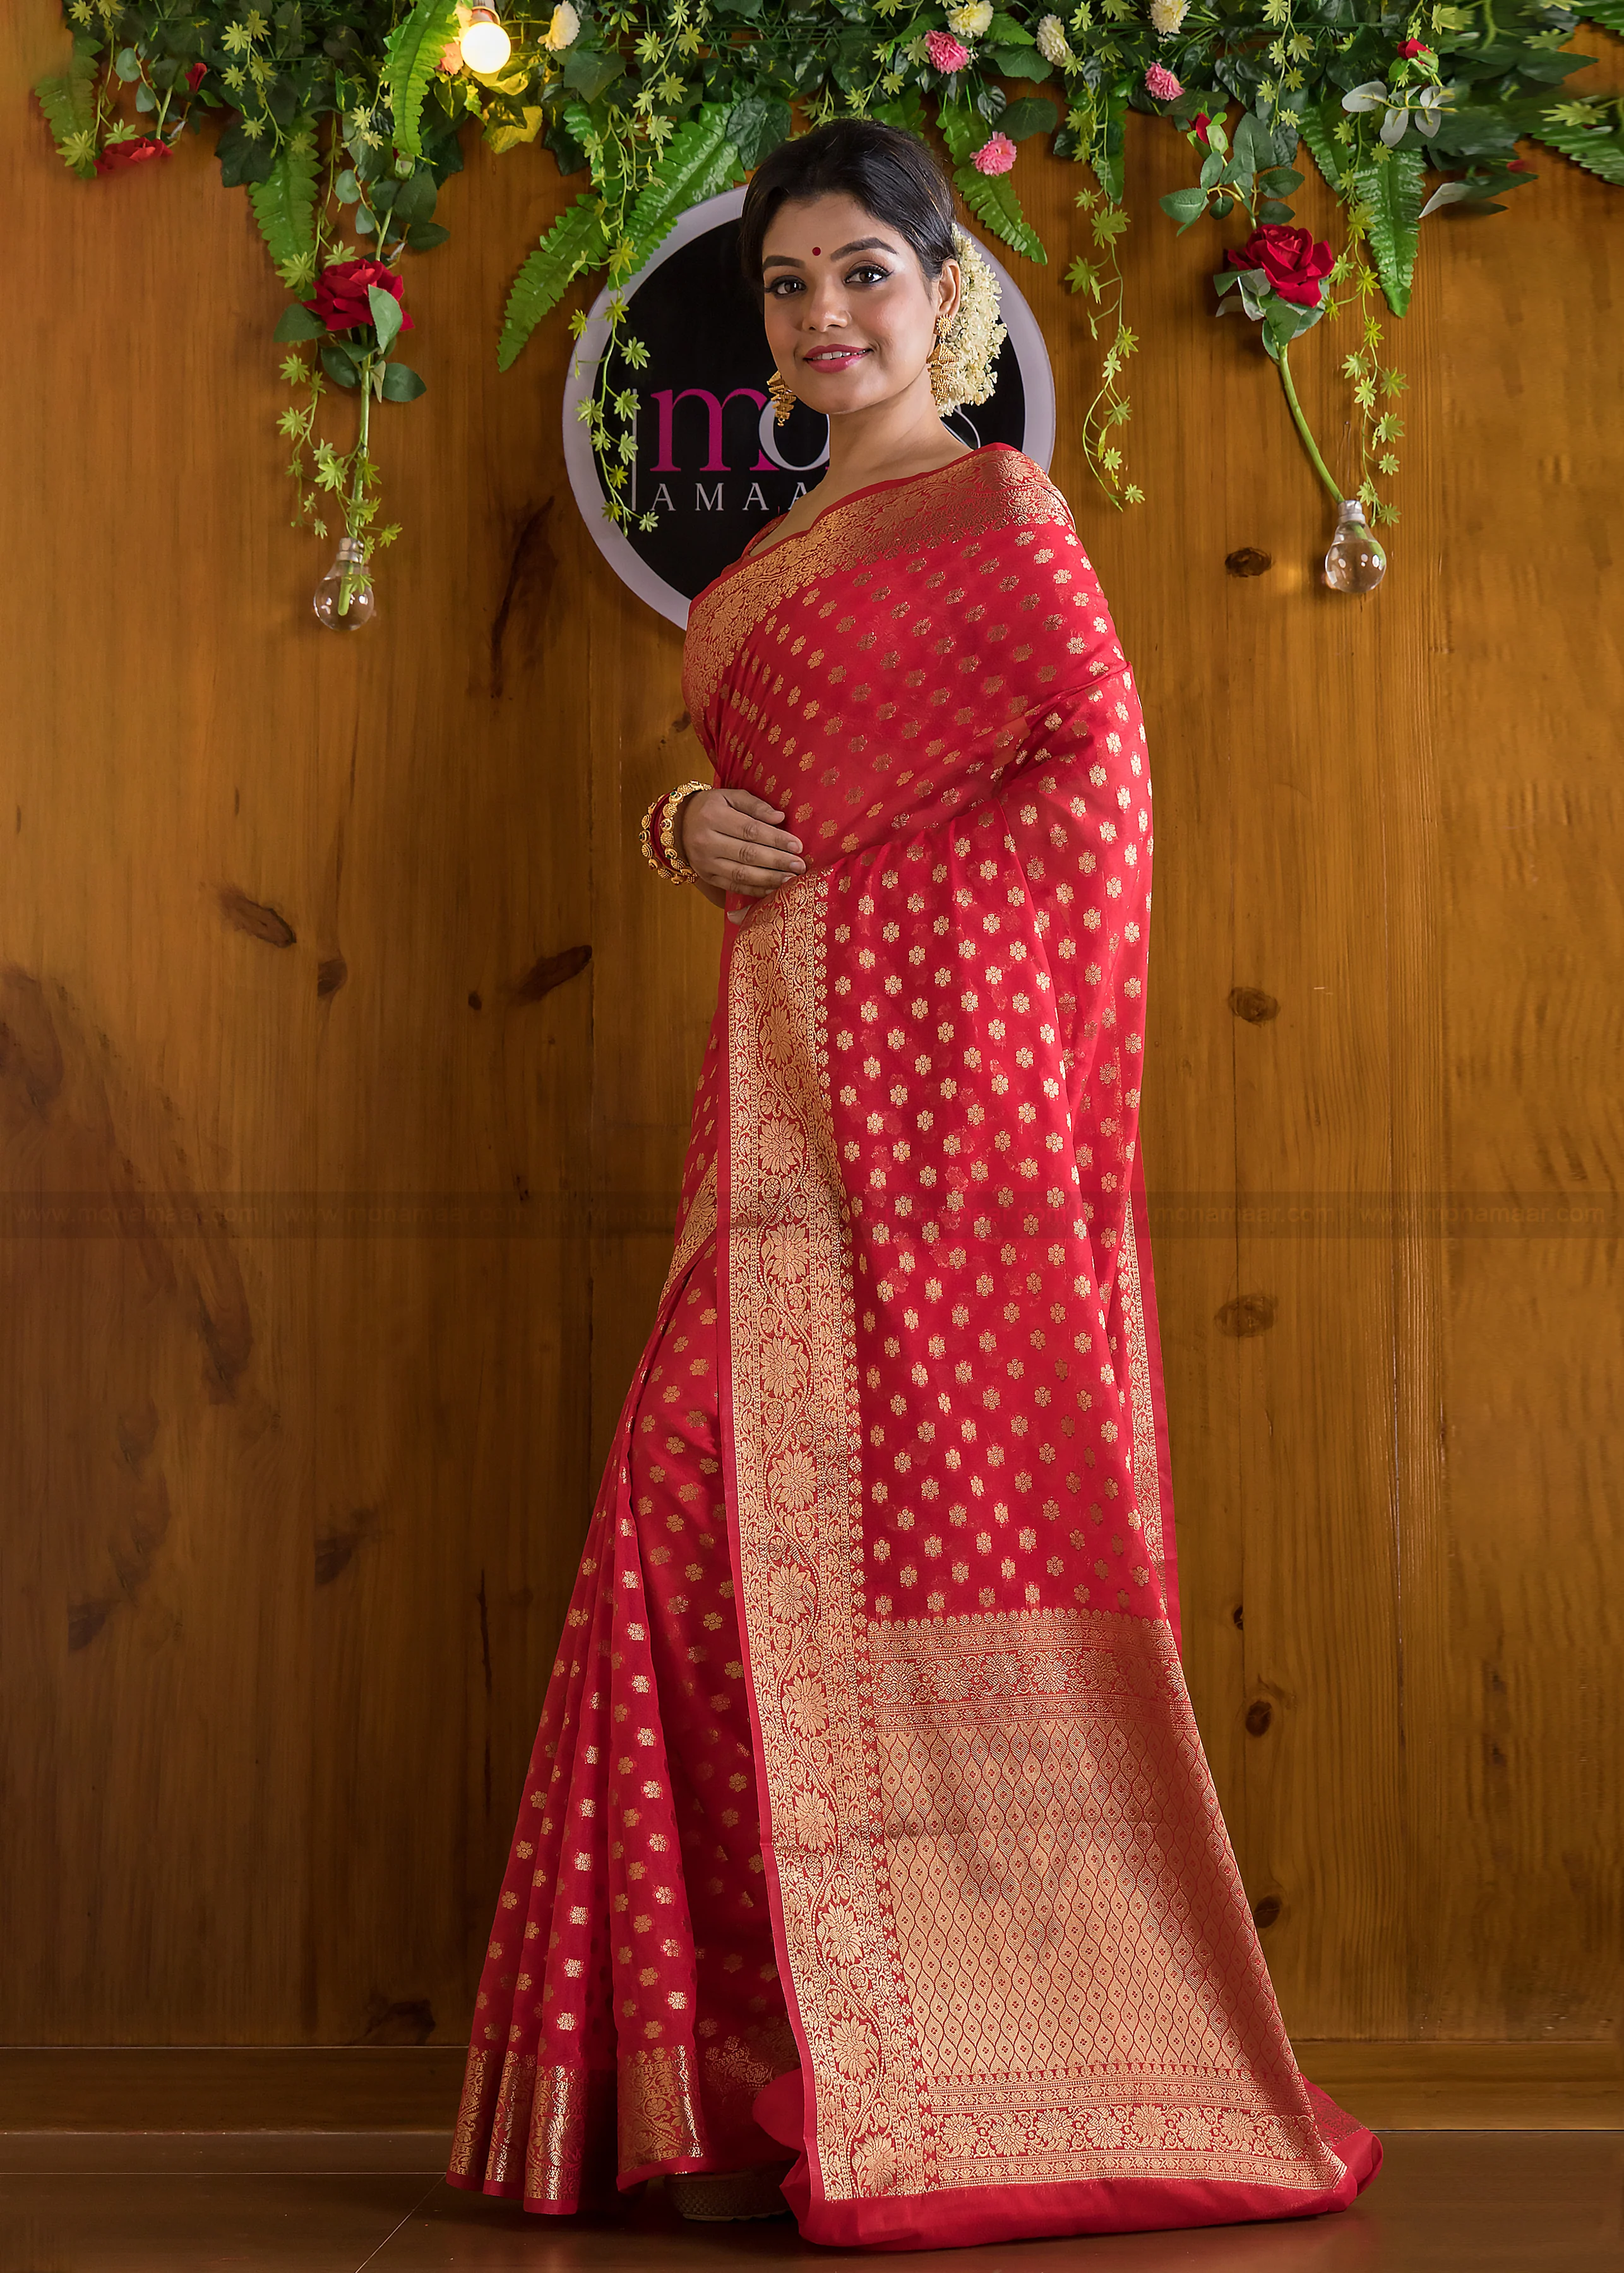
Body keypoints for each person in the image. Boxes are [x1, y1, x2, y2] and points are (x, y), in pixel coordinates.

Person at [446, 118, 1382, 2250]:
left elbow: (1094, 812)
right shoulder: (764, 550)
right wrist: (683, 830)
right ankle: (708, 2085)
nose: (824, 315)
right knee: (686, 1531)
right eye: (788, 285)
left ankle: (925, 2058)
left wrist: (854, 914)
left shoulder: (1003, 517)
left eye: (863, 271)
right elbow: (751, 796)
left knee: (767, 1535)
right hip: (776, 1145)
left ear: (941, 290)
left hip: (944, 1157)